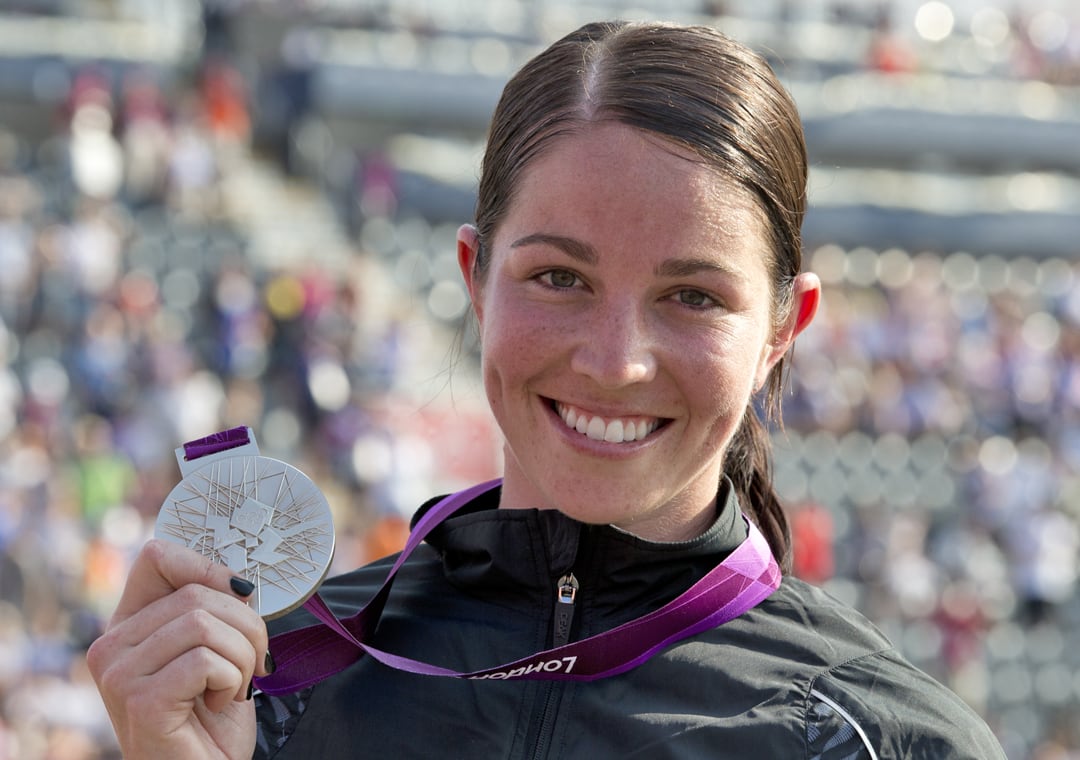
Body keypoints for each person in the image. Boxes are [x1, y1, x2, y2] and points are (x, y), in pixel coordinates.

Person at [87, 20, 1007, 759]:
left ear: (781, 331)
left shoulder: (885, 740)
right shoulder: (270, 685)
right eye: (559, 278)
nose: (617, 362)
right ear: (474, 279)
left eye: (692, 297)